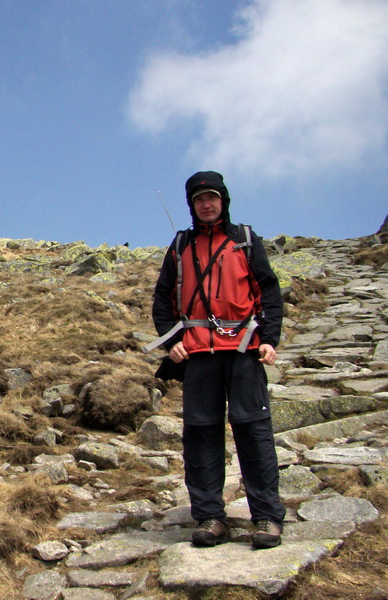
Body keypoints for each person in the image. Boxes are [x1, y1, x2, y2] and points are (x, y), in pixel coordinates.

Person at [150, 171, 285, 549]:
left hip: (243, 351)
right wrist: (173, 342)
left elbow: (269, 292)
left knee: (254, 433)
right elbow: (163, 302)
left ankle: (267, 518)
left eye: (212, 197)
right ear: (191, 205)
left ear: (223, 200)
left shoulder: (244, 240)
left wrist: (269, 339)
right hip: (198, 356)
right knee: (201, 436)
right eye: (199, 199)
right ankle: (210, 517)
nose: (206, 204)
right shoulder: (180, 246)